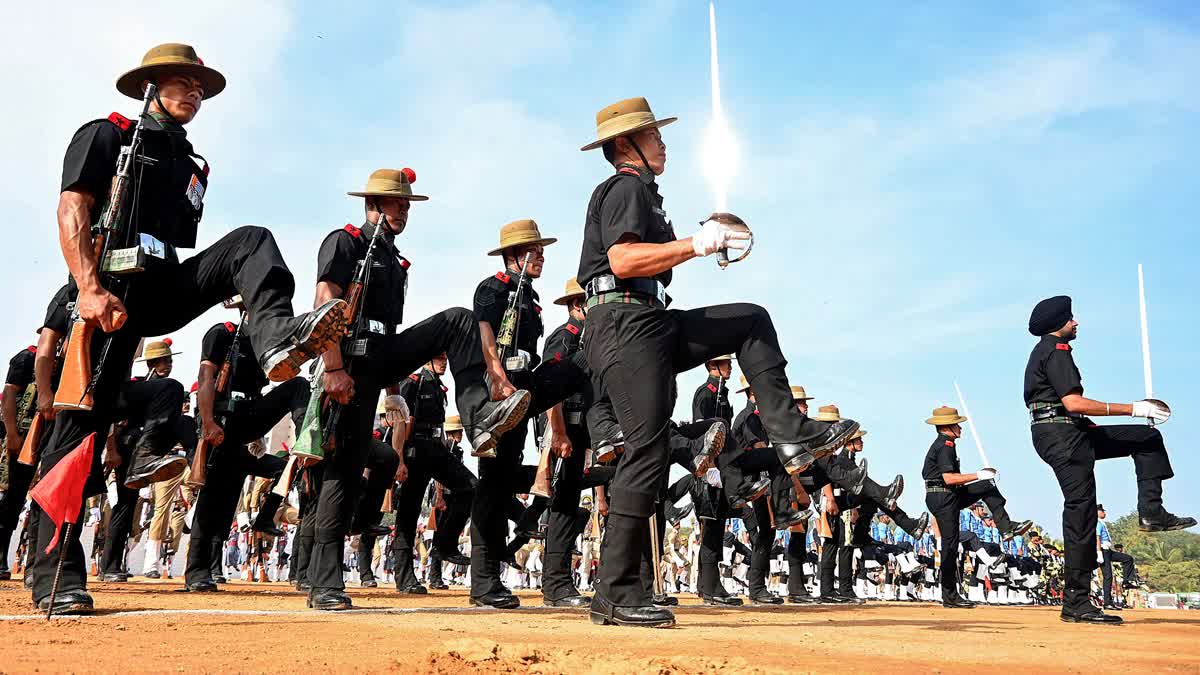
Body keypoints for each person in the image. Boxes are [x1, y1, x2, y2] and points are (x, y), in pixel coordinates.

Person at [35, 43, 348, 614]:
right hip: (108, 290)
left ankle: (277, 335)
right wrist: (86, 285)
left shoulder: (190, 163)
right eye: (184, 82)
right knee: (81, 426)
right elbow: (72, 208)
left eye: (201, 86)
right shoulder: (109, 136)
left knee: (251, 241)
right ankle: (54, 569)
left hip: (159, 287)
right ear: (151, 85)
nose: (195, 93)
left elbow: (176, 248)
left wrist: (231, 284)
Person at [577, 97, 859, 628]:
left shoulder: (646, 194)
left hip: (647, 321)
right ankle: (614, 592)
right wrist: (697, 244)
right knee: (645, 452)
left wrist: (706, 234)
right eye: (653, 135)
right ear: (624, 145)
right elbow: (622, 259)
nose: (663, 142)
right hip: (624, 324)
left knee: (749, 320)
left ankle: (788, 431)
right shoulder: (626, 187)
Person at [304, 168, 529, 611]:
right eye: (398, 202)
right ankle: (323, 582)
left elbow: (387, 326)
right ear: (374, 204)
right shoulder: (345, 241)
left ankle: (479, 416)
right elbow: (325, 303)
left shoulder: (394, 258)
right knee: (344, 471)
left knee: (459, 320)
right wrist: (332, 367)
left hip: (383, 352)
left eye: (407, 204)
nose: (405, 209)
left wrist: (394, 392)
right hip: (348, 358)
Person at [1024, 296, 1193, 624]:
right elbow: (1072, 403)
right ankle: (1076, 601)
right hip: (1064, 437)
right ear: (1057, 324)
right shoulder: (1055, 350)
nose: (1076, 323)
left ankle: (1152, 511)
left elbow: (1059, 407)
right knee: (1081, 511)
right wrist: (1134, 408)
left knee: (1147, 438)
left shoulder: (1044, 351)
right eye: (1071, 318)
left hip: (1068, 433)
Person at [469, 219, 592, 609]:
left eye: (541, 250)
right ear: (512, 255)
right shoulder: (492, 289)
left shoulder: (532, 301)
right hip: (498, 396)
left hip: (523, 395)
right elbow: (486, 336)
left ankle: (509, 547)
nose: (541, 256)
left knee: (504, 480)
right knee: (491, 486)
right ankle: (483, 580)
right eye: (533, 250)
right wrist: (497, 379)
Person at [182, 308, 310, 592]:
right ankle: (198, 570)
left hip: (249, 417)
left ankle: (304, 444)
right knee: (218, 499)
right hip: (220, 420)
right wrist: (207, 423)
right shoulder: (222, 334)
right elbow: (206, 379)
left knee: (299, 387)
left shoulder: (267, 342)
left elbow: (286, 370)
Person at [922, 406, 1032, 610]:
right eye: (957, 424)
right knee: (950, 545)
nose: (960, 428)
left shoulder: (946, 444)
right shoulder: (945, 445)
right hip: (943, 496)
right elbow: (948, 478)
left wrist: (982, 479)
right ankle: (950, 595)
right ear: (948, 427)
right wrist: (978, 475)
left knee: (987, 486)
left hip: (947, 494)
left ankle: (1006, 526)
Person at [391, 355, 476, 595]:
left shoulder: (439, 386)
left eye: (447, 358)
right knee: (409, 513)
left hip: (436, 449)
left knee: (470, 487)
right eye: (439, 358)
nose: (445, 362)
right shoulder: (413, 382)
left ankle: (445, 544)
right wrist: (399, 460)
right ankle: (404, 576)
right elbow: (399, 422)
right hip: (414, 450)